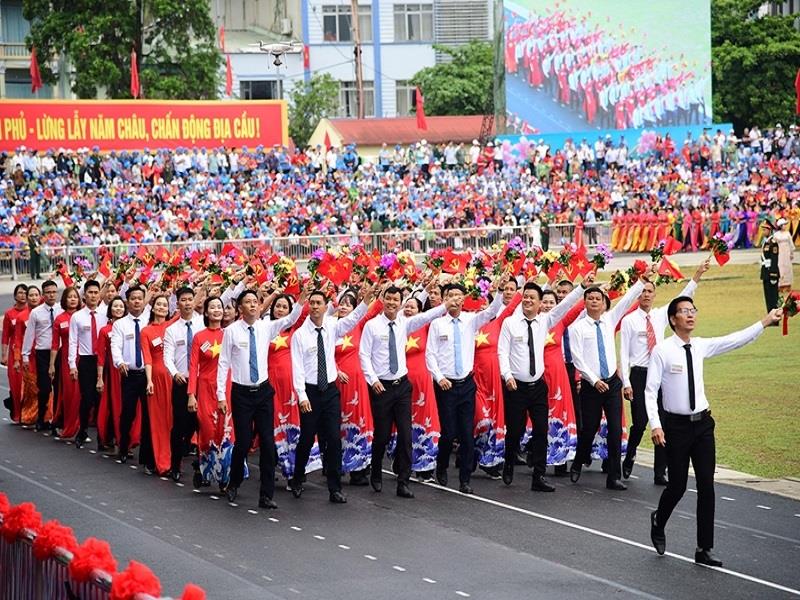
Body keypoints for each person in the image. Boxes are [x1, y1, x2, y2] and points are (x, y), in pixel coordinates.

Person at [647, 297, 782, 566]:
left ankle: (703, 549)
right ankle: (658, 520)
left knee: (707, 486)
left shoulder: (700, 346)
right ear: (673, 319)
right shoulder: (662, 351)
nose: (690, 315)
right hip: (676, 427)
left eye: (692, 310)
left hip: (703, 426)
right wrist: (656, 425)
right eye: (684, 312)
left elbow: (734, 339)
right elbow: (650, 392)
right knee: (677, 486)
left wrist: (765, 322)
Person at [619, 260, 709, 485]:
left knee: (664, 423)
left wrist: (697, 274)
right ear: (638, 294)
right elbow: (623, 353)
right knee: (640, 423)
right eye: (643, 291)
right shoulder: (629, 320)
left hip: (662, 374)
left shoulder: (661, 315)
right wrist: (626, 382)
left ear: (654, 294)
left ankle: (660, 471)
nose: (646, 295)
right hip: (640, 374)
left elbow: (684, 295)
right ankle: (629, 456)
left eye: (650, 291)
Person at [217, 286, 306, 509]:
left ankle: (266, 495)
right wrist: (221, 394)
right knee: (244, 442)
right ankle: (234, 482)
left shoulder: (266, 327)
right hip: (242, 393)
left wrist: (301, 301)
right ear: (240, 308)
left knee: (268, 443)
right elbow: (224, 363)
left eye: (255, 301)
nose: (253, 305)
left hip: (264, 392)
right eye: (248, 302)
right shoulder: (232, 331)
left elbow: (290, 319)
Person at [569, 265, 655, 490]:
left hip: (612, 383)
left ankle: (613, 477)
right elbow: (578, 358)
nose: (595, 301)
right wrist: (592, 380)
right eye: (590, 298)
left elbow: (627, 300)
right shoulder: (577, 328)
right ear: (585, 303)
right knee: (589, 428)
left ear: (604, 302)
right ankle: (579, 461)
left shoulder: (609, 319)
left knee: (615, 429)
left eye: (598, 298)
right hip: (592, 385)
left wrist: (641, 280)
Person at [497, 277, 585, 491]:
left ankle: (539, 476)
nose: (527, 300)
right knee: (516, 431)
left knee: (541, 431)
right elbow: (502, 352)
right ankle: (508, 463)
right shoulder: (510, 323)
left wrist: (582, 288)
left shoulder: (545, 320)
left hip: (538, 387)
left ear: (538, 303)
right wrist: (507, 376)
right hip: (516, 387)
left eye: (532, 298)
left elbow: (564, 306)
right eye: (525, 296)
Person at [289, 284, 374, 504]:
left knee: (334, 440)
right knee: (307, 439)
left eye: (319, 303)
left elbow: (354, 318)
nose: (315, 307)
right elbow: (297, 368)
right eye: (313, 303)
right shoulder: (300, 335)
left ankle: (334, 488)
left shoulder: (332, 327)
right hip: (310, 393)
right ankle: (297, 478)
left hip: (330, 391)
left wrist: (365, 300)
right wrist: (302, 396)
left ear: (327, 306)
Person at [359, 285, 446, 498]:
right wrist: (373, 380)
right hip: (381, 388)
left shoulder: (403, 323)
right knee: (382, 436)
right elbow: (364, 355)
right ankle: (376, 471)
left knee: (406, 435)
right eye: (388, 299)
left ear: (400, 302)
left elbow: (426, 316)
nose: (391, 303)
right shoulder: (372, 326)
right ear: (383, 300)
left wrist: (446, 304)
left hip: (402, 387)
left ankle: (403, 481)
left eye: (395, 300)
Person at [425, 280, 505, 494]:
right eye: (451, 295)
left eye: (459, 295)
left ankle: (464, 479)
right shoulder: (437, 324)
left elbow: (491, 312)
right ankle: (441, 465)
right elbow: (430, 354)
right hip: (446, 385)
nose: (455, 299)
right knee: (449, 433)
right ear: (445, 299)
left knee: (467, 434)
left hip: (467, 384)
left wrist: (497, 291)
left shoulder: (470, 320)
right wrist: (439, 377)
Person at [187, 296, 233, 491]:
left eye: (219, 307)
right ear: (206, 312)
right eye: (212, 307)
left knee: (226, 430)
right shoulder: (199, 336)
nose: (217, 310)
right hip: (205, 388)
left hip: (227, 387)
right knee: (207, 429)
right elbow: (193, 367)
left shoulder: (229, 334)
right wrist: (191, 394)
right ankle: (205, 468)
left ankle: (226, 475)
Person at [163, 287, 205, 482]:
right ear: (177, 303)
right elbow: (167, 358)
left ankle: (203, 466)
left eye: (190, 299)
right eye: (184, 300)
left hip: (202, 382)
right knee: (180, 426)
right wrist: (175, 373)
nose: (188, 303)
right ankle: (175, 464)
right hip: (182, 382)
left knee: (202, 425)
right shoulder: (171, 329)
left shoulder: (202, 324)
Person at [111, 286, 154, 470]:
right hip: (129, 374)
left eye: (139, 298)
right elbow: (115, 346)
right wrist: (119, 362)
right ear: (127, 301)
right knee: (128, 413)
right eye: (133, 298)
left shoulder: (149, 320)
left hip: (147, 374)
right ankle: (123, 447)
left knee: (147, 414)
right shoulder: (120, 324)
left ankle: (146, 453)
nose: (136, 301)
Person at [68, 280, 106, 448]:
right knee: (87, 398)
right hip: (86, 361)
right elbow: (72, 341)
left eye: (96, 292)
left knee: (102, 400)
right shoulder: (77, 316)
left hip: (103, 361)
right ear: (84, 295)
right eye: (90, 292)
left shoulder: (106, 314)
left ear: (100, 295)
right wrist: (72, 364)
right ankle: (82, 430)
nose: (93, 295)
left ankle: (102, 435)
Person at [22, 280, 63, 431]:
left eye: (54, 292)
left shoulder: (62, 309)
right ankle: (41, 417)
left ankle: (57, 419)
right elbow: (29, 335)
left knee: (59, 387)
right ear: (43, 295)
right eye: (48, 292)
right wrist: (25, 355)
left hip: (59, 352)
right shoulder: (36, 312)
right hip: (43, 353)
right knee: (45, 388)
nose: (51, 295)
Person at [96, 296, 128, 451]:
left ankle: (126, 440)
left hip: (129, 372)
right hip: (112, 373)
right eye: (115, 306)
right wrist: (100, 378)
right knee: (113, 406)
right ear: (110, 310)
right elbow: (101, 357)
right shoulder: (104, 330)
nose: (118, 309)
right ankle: (112, 438)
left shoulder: (129, 327)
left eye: (121, 306)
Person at [50, 287, 81, 443]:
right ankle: (68, 425)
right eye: (70, 297)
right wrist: (51, 365)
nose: (73, 299)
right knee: (69, 393)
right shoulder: (59, 319)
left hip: (83, 357)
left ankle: (80, 428)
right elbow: (55, 344)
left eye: (75, 296)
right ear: (64, 300)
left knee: (83, 393)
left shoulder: (83, 316)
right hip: (66, 359)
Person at [2, 284, 29, 421]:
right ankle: (18, 413)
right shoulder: (9, 314)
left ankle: (30, 412)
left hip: (30, 352)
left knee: (30, 384)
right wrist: (4, 355)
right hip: (15, 354)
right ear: (15, 295)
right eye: (20, 293)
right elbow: (5, 336)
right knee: (16, 384)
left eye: (25, 293)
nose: (23, 295)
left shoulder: (33, 312)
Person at [760, 220, 780, 311]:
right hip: (765, 272)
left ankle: (775, 318)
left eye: (765, 230)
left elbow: (774, 260)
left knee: (773, 297)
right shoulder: (766, 242)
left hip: (771, 272)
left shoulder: (773, 242)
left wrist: (773, 274)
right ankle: (770, 317)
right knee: (767, 296)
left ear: (770, 230)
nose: (763, 232)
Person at [773, 218, 795, 293]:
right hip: (780, 253)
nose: (785, 226)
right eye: (784, 225)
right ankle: (780, 285)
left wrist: (791, 253)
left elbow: (791, 243)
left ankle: (787, 285)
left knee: (787, 267)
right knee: (780, 267)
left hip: (786, 252)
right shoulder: (776, 234)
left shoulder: (787, 233)